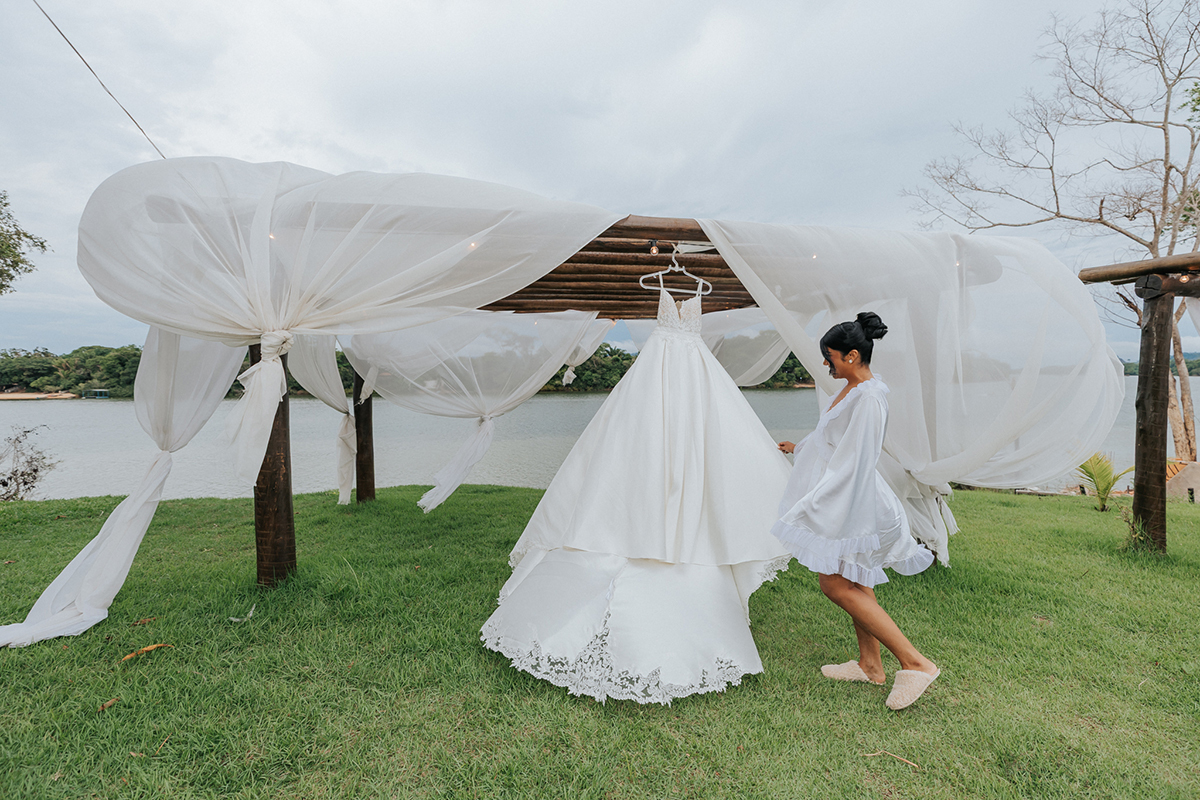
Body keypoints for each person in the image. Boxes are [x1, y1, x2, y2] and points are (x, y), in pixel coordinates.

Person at [774, 312, 939, 710]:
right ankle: (870, 666)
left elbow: (857, 460)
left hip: (855, 501)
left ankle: (917, 664)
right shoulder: (852, 388)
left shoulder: (870, 397)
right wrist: (799, 449)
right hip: (847, 496)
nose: (826, 365)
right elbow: (831, 440)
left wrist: (820, 505)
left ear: (851, 355)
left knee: (833, 583)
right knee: (855, 579)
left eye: (830, 357)